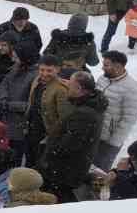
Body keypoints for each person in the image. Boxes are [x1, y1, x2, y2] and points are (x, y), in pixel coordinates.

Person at [43, 71, 107, 203]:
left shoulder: (84, 114)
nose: (67, 88)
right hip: (71, 168)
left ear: (79, 89)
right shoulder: (89, 105)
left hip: (66, 171)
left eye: (70, 85)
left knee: (61, 201)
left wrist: (51, 149)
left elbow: (69, 145)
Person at [95, 50, 137, 171]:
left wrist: (113, 142)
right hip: (94, 132)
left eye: (106, 65)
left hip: (109, 140)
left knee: (100, 171)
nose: (102, 68)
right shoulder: (103, 79)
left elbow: (129, 120)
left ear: (118, 67)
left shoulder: (132, 89)